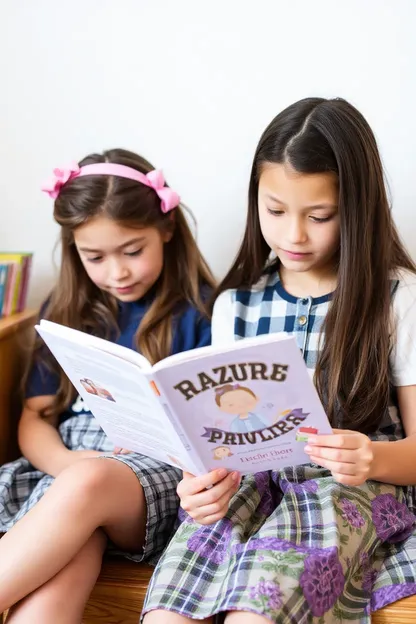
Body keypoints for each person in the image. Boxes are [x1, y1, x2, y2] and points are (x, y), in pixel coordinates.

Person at [142, 98, 416, 623]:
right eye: (275, 211)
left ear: (357, 210)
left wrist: (372, 459)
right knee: (168, 614)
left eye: (319, 216)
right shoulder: (237, 305)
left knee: (256, 614)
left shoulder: (396, 298)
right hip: (251, 492)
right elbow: (218, 442)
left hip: (348, 496)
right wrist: (202, 485)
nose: (294, 235)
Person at [0, 148, 214, 623]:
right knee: (66, 562)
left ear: (167, 229)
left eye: (132, 251)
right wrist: (66, 464)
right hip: (69, 471)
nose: (116, 272)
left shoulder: (201, 310)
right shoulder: (66, 308)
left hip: (156, 478)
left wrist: (82, 473)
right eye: (94, 256)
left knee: (89, 484)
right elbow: (35, 415)